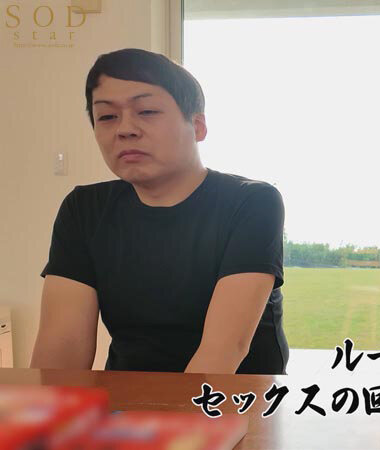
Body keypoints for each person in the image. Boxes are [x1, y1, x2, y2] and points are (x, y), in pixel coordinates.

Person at [30, 48, 288, 375]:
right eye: (107, 117)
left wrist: (169, 412)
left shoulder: (251, 202)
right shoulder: (84, 209)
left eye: (147, 111)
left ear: (198, 126)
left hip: (229, 397)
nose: (125, 129)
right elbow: (62, 347)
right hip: (126, 397)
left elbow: (224, 351)